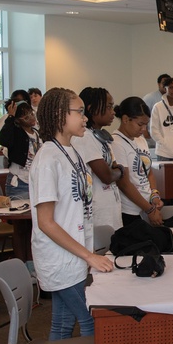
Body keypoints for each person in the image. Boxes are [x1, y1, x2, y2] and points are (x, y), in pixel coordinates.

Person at [31, 87, 115, 344]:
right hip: (61, 259)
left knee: (63, 325)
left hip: (77, 256)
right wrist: (88, 255)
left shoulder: (73, 152)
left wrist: (89, 254)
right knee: (94, 321)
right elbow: (47, 222)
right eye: (78, 111)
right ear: (58, 116)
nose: (85, 117)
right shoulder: (47, 159)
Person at [74, 87, 124, 245]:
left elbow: (115, 168)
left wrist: (116, 171)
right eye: (108, 107)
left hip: (112, 210)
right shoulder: (85, 138)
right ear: (91, 109)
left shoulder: (102, 137)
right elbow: (107, 176)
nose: (113, 112)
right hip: (98, 213)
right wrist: (116, 172)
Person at [111, 96, 164, 227]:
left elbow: (149, 172)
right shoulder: (116, 143)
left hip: (147, 205)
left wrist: (154, 195)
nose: (144, 129)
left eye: (146, 124)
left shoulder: (140, 139)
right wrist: (149, 209)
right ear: (125, 119)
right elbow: (124, 184)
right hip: (130, 211)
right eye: (140, 124)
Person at [0, 100, 39, 200]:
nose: (31, 117)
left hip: (35, 182)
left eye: (31, 113)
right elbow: (3, 139)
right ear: (18, 120)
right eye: (25, 116)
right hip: (19, 183)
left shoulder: (37, 133)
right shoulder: (16, 133)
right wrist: (10, 117)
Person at [0, 89, 31, 156]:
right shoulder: (7, 117)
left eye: (23, 101)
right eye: (17, 101)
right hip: (13, 156)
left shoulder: (31, 116)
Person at [142, 73, 170, 148]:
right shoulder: (149, 98)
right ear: (158, 84)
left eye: (168, 83)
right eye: (164, 83)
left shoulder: (171, 100)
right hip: (150, 141)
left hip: (166, 141)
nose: (165, 86)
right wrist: (145, 133)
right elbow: (142, 116)